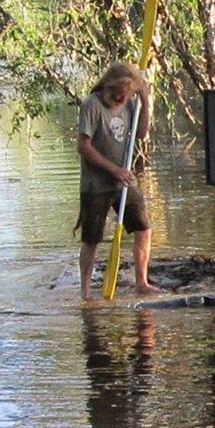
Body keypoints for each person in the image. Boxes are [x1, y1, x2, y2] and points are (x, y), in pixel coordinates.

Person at [76, 62, 162, 299]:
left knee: (143, 228)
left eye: (131, 92)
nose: (127, 96)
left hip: (124, 181)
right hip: (96, 184)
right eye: (126, 91)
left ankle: (142, 282)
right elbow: (83, 147)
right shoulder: (92, 105)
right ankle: (85, 292)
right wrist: (113, 169)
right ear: (113, 86)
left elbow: (142, 133)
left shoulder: (131, 104)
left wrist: (145, 102)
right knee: (92, 239)